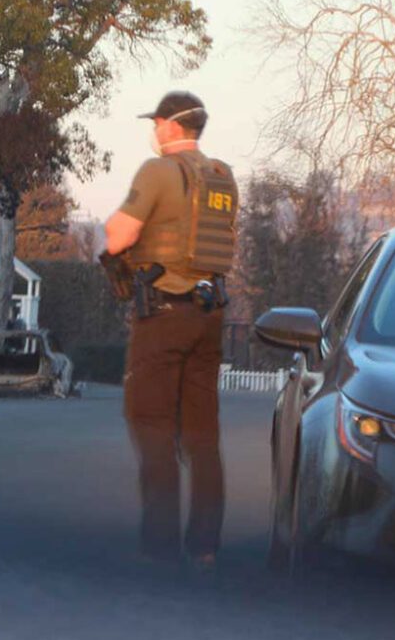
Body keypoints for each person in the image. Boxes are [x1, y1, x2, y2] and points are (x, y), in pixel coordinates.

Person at [101, 91, 239, 569]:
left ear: (173, 126)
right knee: (202, 433)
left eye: (157, 122)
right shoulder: (222, 178)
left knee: (152, 423)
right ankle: (204, 546)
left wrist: (111, 230)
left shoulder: (157, 171)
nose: (154, 131)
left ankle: (158, 545)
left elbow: (120, 235)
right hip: (209, 314)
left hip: (163, 315)